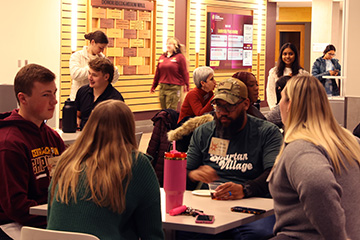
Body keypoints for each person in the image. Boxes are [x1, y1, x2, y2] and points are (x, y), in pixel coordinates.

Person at [47, 100, 164, 240]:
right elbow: (152, 233)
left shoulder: (66, 161)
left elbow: (51, 217)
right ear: (129, 128)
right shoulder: (136, 164)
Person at [185, 78, 283, 239]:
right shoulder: (204, 132)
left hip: (254, 203)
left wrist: (244, 189)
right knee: (185, 232)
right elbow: (186, 171)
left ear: (245, 104)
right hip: (210, 203)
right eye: (218, 106)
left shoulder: (266, 132)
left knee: (254, 234)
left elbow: (274, 175)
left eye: (229, 106)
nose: (222, 112)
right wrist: (193, 174)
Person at [269, 75, 360, 239]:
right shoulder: (350, 142)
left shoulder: (301, 148)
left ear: (289, 105)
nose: (279, 106)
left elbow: (317, 184)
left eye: (281, 99)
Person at [0, 64, 65, 240]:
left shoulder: (52, 137)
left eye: (54, 93)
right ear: (23, 98)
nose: (54, 101)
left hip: (47, 217)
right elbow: (16, 207)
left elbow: (65, 182)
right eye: (46, 95)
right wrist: (58, 219)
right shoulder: (9, 143)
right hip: (13, 225)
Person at [75, 57, 124, 130]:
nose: (89, 78)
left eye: (94, 75)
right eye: (89, 73)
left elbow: (117, 129)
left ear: (106, 77)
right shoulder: (82, 91)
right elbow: (78, 115)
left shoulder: (116, 100)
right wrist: (77, 120)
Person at [69, 30, 120, 100]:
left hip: (96, 98)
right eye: (100, 48)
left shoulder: (103, 59)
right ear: (93, 42)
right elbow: (75, 74)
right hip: (78, 98)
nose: (102, 51)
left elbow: (111, 81)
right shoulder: (77, 56)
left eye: (103, 48)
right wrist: (93, 68)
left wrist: (114, 71)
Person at [150, 37, 190, 110]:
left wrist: (187, 85)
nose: (168, 45)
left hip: (174, 87)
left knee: (170, 109)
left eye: (171, 44)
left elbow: (184, 72)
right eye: (167, 43)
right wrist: (154, 86)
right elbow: (157, 73)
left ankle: (171, 121)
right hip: (163, 86)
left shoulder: (179, 57)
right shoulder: (162, 57)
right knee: (163, 109)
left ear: (175, 46)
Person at [266, 42, 308, 109]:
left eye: (291, 54)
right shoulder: (274, 72)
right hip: (278, 108)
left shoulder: (302, 73)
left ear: (295, 55)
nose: (287, 56)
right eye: (285, 54)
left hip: (297, 109)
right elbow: (270, 91)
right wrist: (273, 107)